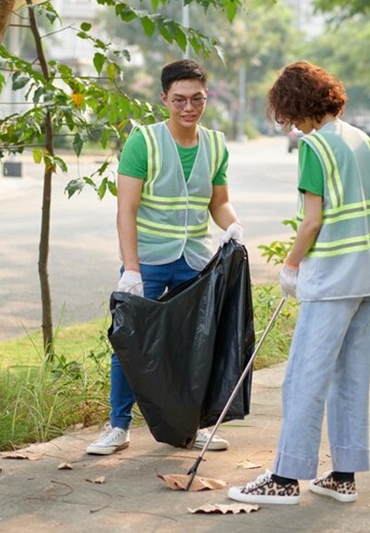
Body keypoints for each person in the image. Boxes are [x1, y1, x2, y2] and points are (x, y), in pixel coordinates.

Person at [227, 61, 370, 505]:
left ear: (297, 106)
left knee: (303, 378)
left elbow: (312, 221)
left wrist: (291, 267)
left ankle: (283, 477)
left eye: (289, 114)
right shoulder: (360, 140)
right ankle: (342, 475)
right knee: (350, 377)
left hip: (332, 278)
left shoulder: (314, 149)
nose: (290, 124)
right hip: (368, 275)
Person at [87, 59, 243, 455]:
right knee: (130, 340)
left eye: (197, 99)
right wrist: (132, 270)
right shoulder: (144, 142)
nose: (188, 108)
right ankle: (118, 426)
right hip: (150, 261)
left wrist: (233, 226)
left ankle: (196, 425)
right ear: (163, 99)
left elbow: (219, 202)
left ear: (206, 98)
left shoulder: (215, 144)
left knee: (196, 345)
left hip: (194, 260)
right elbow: (126, 210)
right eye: (179, 100)